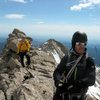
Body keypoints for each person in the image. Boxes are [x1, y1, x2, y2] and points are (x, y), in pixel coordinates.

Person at [53, 31, 96, 100]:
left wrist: (76, 84)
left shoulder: (88, 60)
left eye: (83, 43)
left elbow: (91, 79)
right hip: (65, 93)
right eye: (78, 43)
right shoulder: (67, 58)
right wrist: (58, 81)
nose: (81, 46)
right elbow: (58, 71)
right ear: (73, 44)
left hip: (79, 96)